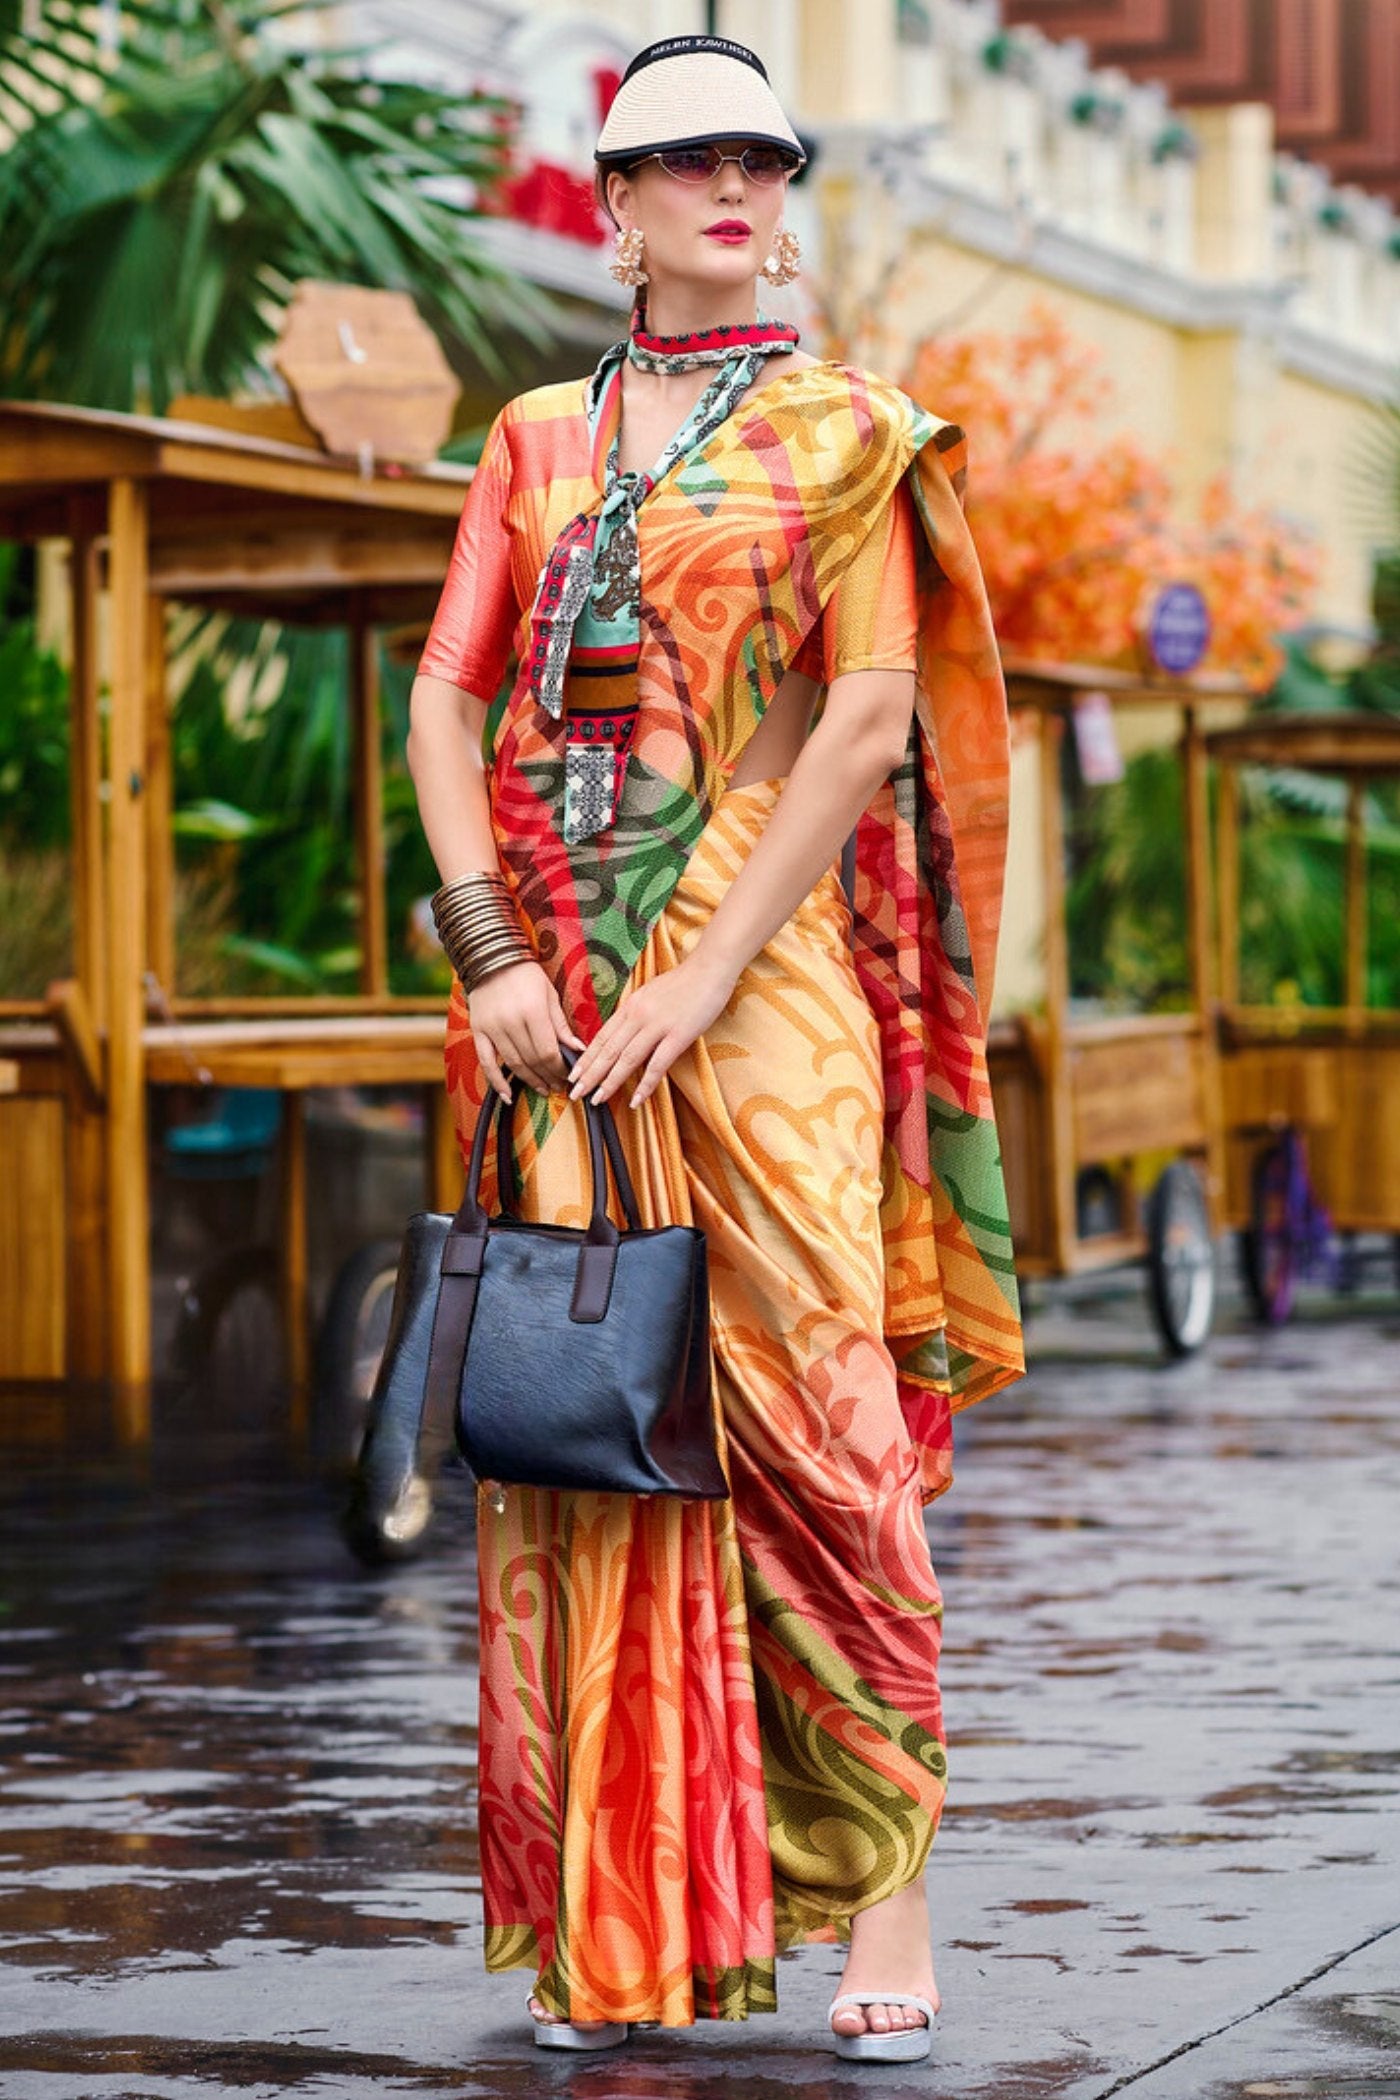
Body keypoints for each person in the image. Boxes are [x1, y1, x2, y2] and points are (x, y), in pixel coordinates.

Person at [406, 31, 1023, 2065]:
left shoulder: (850, 433)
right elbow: (442, 700)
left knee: (821, 1426)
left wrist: (699, 971)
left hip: (757, 997)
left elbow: (859, 723)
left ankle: (887, 1892)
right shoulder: (529, 441)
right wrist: (491, 954)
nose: (732, 190)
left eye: (762, 157)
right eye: (684, 166)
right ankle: (628, 1907)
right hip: (541, 996)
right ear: (618, 210)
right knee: (591, 1416)